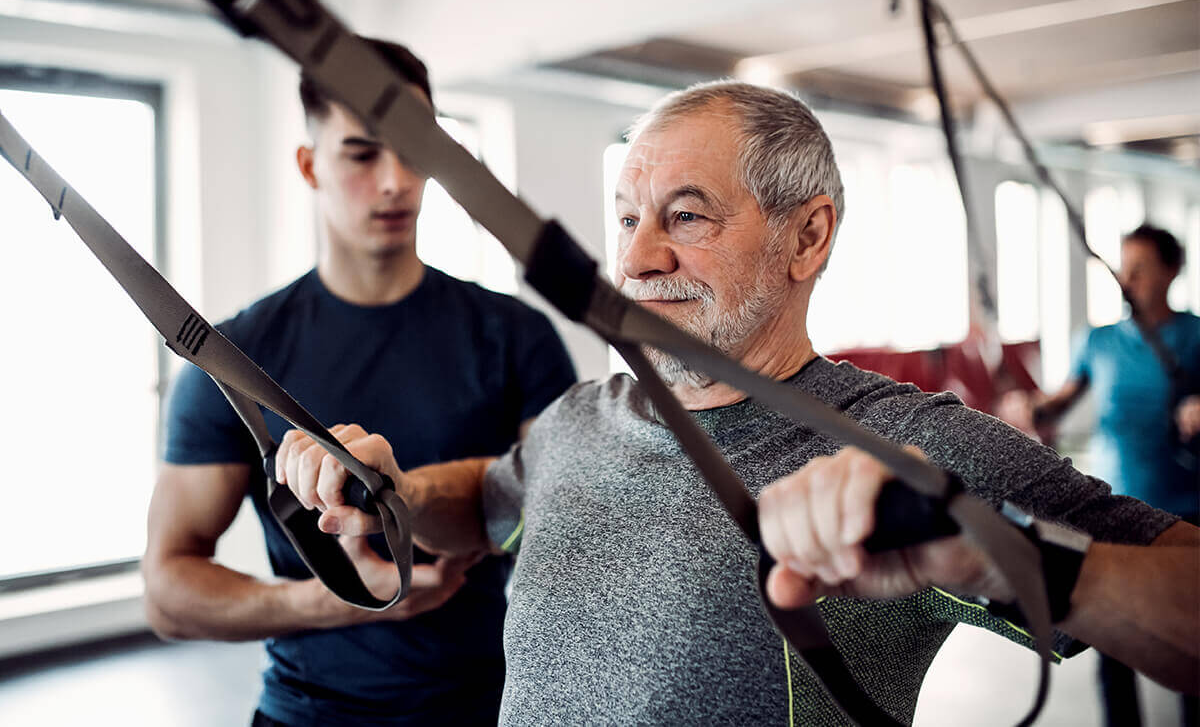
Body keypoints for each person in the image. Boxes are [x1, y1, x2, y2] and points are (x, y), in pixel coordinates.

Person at [276, 81, 1199, 725]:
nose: (637, 262)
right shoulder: (579, 418)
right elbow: (485, 500)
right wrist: (389, 490)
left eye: (686, 216)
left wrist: (1004, 556)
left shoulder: (905, 447)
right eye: (628, 218)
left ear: (808, 237)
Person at [143, 39, 577, 727]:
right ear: (310, 164)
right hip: (309, 712)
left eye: (414, 149)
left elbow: (569, 518)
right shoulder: (234, 359)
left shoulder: (515, 336)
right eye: (362, 153)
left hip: (491, 709)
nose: (395, 180)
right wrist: (331, 599)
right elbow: (168, 591)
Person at [1031, 223, 1200, 727]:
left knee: (1190, 645)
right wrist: (1033, 409)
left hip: (1185, 513)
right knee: (1114, 646)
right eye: (1124, 269)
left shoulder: (1195, 335)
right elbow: (1059, 402)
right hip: (1114, 514)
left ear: (1172, 271)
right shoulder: (1098, 341)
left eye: (1142, 269)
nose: (1128, 280)